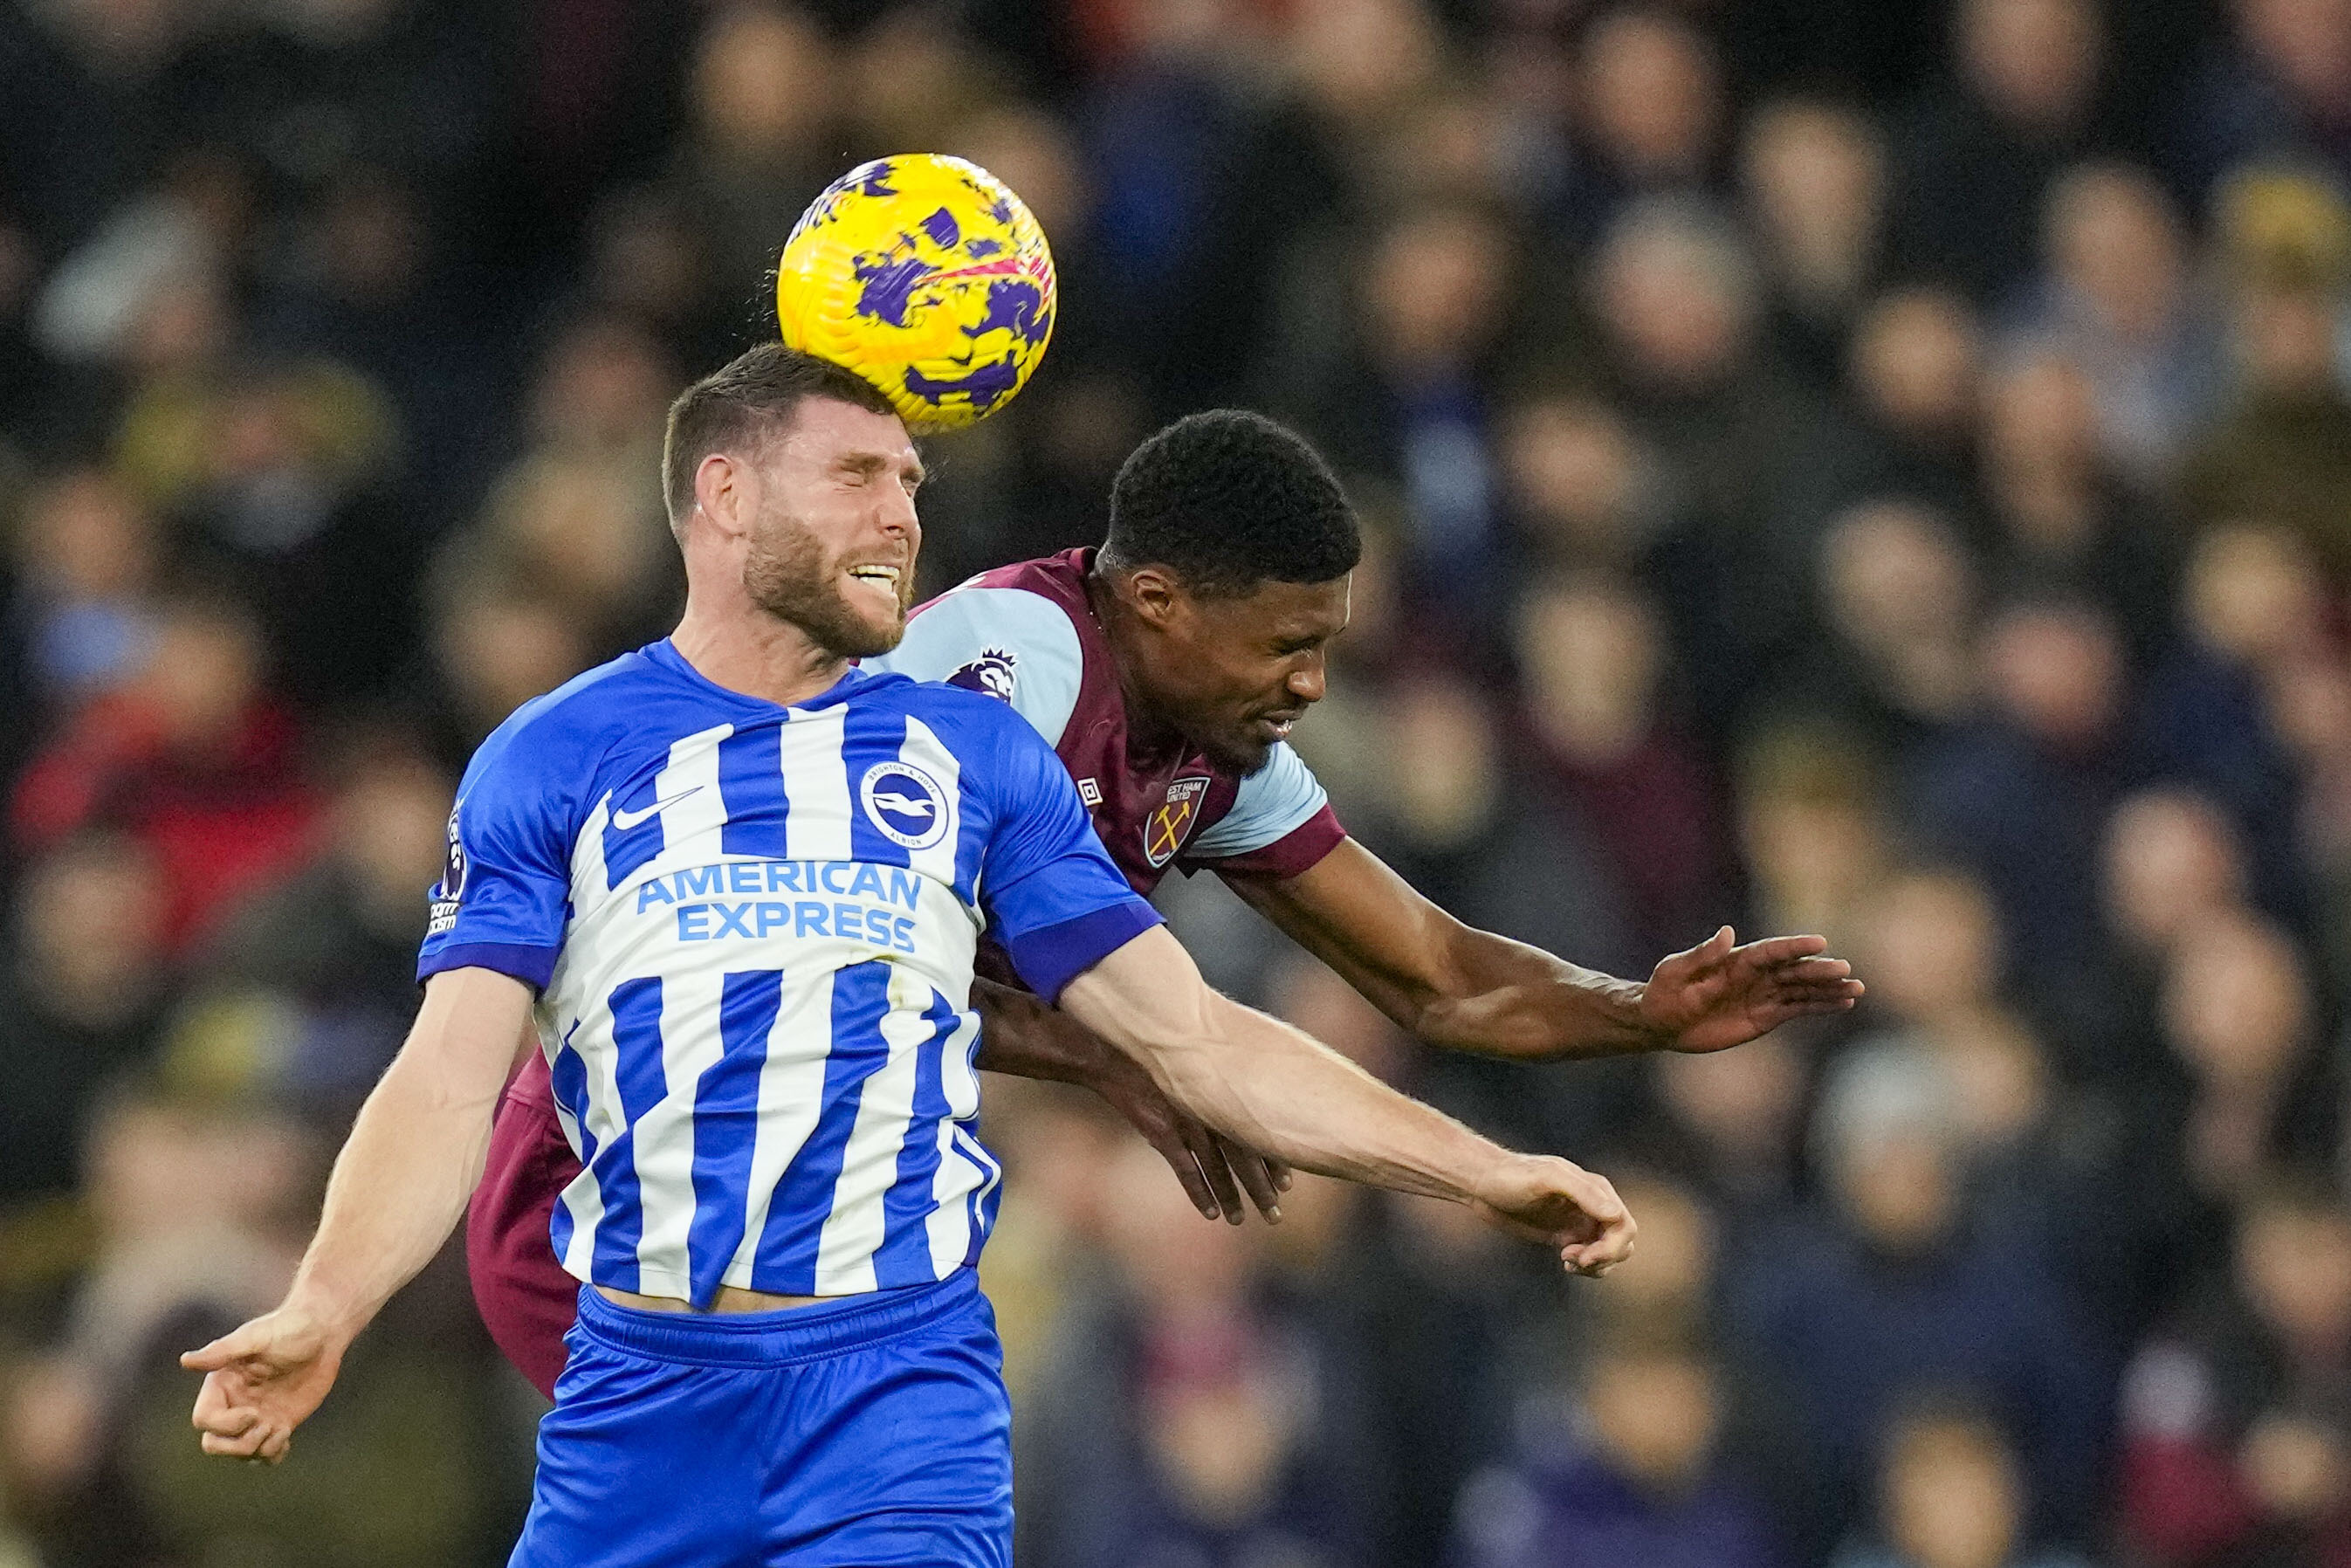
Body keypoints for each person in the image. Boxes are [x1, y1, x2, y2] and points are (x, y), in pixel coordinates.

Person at [178, 346, 1645, 1568]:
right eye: (858, 477)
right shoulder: (555, 757)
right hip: (637, 1388)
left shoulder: (973, 757)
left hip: (897, 1388)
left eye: (913, 485)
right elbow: (444, 1080)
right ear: (725, 492)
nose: (902, 517)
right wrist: (326, 1302)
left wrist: (1480, 1167)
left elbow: (1194, 1037)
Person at [472, 402, 1866, 1398]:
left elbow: (1437, 976)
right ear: (1154, 601)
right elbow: (836, 950)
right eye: (1286, 644)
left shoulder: (1212, 752)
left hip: (825, 1208)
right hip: (634, 1174)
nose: (1312, 684)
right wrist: (1115, 1055)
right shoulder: (1007, 668)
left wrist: (1638, 1011)